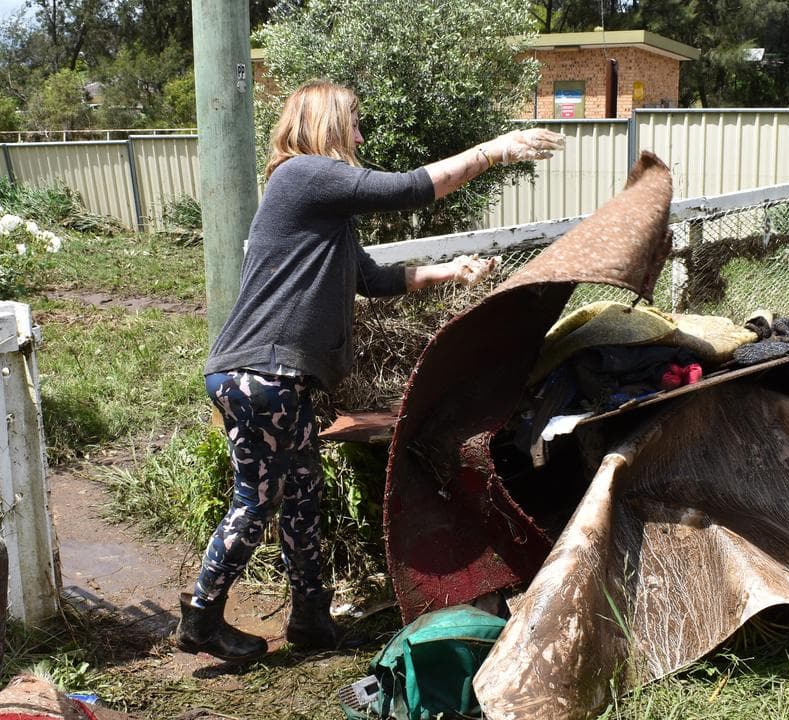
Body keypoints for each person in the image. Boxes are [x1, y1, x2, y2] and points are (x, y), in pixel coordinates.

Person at [175, 79, 566, 664]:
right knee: (255, 502)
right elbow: (413, 188)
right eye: (354, 123)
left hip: (279, 378)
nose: (360, 135)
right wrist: (495, 150)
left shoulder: (318, 207)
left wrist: (451, 271)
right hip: (264, 374)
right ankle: (202, 618)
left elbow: (372, 279)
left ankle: (311, 620)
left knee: (302, 497)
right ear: (326, 124)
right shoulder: (303, 173)